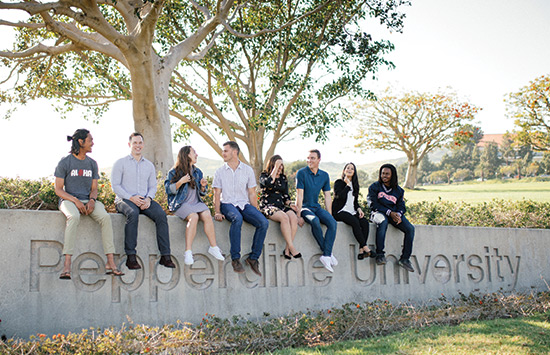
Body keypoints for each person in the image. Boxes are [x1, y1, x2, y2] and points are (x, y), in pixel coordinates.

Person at [54, 129, 123, 279]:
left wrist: (92, 200)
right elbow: (58, 190)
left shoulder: (92, 164)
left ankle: (110, 263)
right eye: (90, 140)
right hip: (68, 200)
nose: (93, 143)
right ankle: (67, 265)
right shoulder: (65, 162)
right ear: (81, 142)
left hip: (88, 200)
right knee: (73, 217)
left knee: (105, 217)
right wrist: (75, 201)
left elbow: (94, 189)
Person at [111, 132, 176, 270]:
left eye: (140, 143)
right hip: (124, 199)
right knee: (133, 213)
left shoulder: (149, 166)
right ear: (129, 145)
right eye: (135, 143)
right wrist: (131, 198)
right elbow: (115, 186)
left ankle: (165, 256)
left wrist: (148, 199)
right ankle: (131, 256)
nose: (138, 146)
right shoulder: (120, 163)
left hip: (144, 200)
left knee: (161, 215)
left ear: (143, 145)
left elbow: (153, 186)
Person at [213, 141, 268, 276]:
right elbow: (217, 193)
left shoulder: (247, 170)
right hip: (227, 204)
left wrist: (255, 211)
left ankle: (253, 258)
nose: (223, 153)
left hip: (243, 204)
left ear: (234, 152)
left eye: (226, 151)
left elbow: (251, 193)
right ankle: (235, 259)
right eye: (223, 151)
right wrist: (217, 211)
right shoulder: (220, 172)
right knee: (237, 219)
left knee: (263, 223)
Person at [165, 146, 225, 265]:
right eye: (194, 152)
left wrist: (203, 186)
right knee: (194, 217)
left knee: (207, 214)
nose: (196, 155)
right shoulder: (174, 172)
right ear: (187, 155)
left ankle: (213, 247)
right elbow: (168, 190)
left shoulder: (198, 172)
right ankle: (188, 251)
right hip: (181, 203)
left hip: (196, 202)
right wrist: (180, 182)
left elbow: (202, 193)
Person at [295, 149, 338, 272]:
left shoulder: (324, 175)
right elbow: (299, 195)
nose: (309, 160)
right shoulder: (301, 173)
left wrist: (329, 215)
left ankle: (326, 255)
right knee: (314, 220)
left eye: (312, 158)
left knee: (333, 223)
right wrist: (298, 215)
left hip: (317, 207)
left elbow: (328, 196)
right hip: (305, 208)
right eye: (308, 158)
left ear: (319, 159)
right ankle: (327, 253)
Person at [367, 163, 415, 272]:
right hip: (378, 213)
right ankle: (380, 254)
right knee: (383, 222)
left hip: (393, 214)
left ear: (392, 175)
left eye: (387, 174)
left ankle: (405, 259)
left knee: (410, 229)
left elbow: (402, 206)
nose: (384, 175)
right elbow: (373, 205)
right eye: (382, 173)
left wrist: (399, 214)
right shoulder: (374, 187)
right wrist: (389, 212)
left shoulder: (399, 191)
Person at [259, 155, 301, 259]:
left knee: (293, 217)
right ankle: (292, 247)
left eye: (281, 165)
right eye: (278, 165)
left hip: (281, 205)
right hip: (268, 205)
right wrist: (275, 169)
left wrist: (290, 204)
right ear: (272, 165)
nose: (280, 168)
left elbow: (285, 195)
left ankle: (287, 249)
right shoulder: (264, 175)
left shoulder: (283, 178)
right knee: (284, 217)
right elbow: (268, 184)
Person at [332, 162, 374, 260]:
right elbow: (338, 196)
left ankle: (361, 251)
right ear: (344, 170)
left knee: (364, 223)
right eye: (348, 168)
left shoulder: (355, 185)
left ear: (354, 172)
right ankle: (366, 248)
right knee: (355, 222)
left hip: (352, 211)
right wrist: (347, 186)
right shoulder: (339, 182)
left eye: (352, 168)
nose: (349, 170)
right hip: (340, 211)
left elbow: (354, 202)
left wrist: (359, 209)